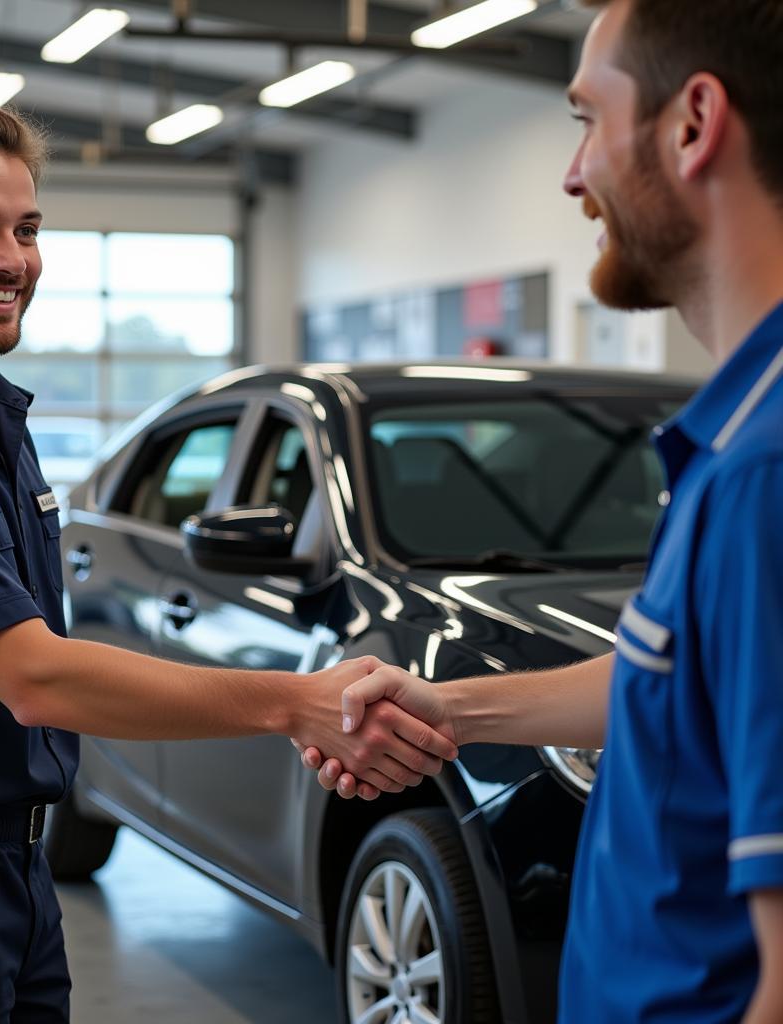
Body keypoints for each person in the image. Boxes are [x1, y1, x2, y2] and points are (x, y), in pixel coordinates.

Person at [0, 95, 455, 1023]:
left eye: (27, 229)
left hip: (13, 865)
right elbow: (33, 676)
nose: (13, 259)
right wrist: (297, 702)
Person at [301, 0, 783, 1020]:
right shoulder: (736, 436)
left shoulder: (763, 474)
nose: (572, 177)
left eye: (584, 120)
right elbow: (672, 682)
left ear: (691, 124)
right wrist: (453, 708)